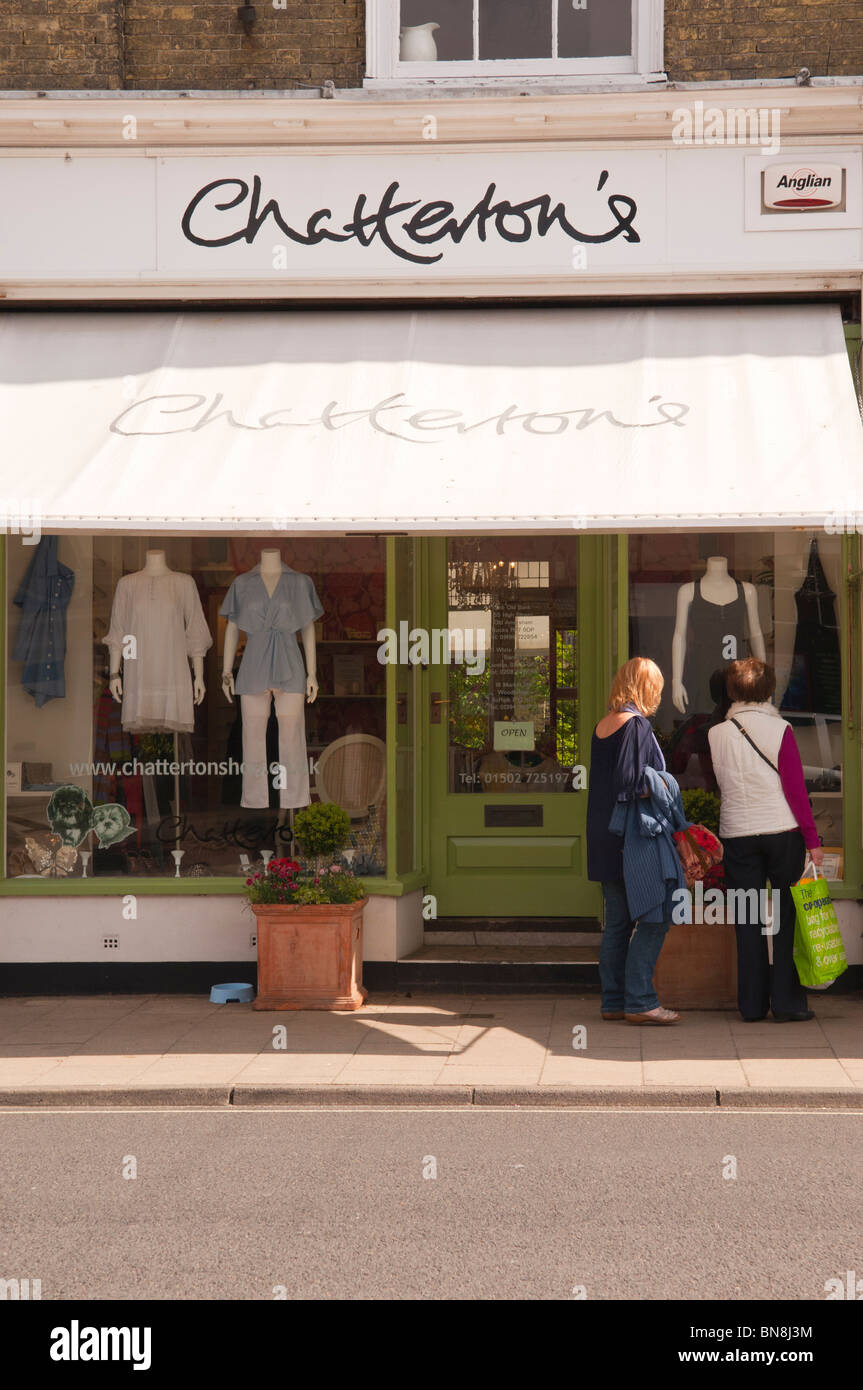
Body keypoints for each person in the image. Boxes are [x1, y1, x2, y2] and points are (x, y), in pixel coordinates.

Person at [707, 658, 823, 1023]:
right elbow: (795, 789)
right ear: (769, 691)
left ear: (731, 692)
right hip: (781, 830)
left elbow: (718, 784)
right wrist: (813, 838)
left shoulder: (716, 733)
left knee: (747, 919)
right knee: (786, 918)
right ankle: (787, 1002)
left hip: (737, 833)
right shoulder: (781, 730)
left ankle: (752, 1004)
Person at [587, 657, 681, 1025]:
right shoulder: (637, 726)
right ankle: (641, 1000)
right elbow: (632, 783)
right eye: (656, 685)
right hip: (633, 839)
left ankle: (612, 1001)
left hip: (604, 837)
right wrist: (666, 783)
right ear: (647, 688)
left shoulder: (604, 725)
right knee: (655, 917)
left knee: (618, 924)